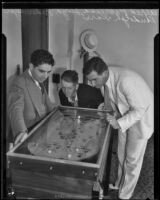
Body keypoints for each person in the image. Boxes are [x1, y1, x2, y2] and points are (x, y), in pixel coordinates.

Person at [83, 57, 154, 200]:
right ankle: (119, 184)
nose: (91, 84)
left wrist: (119, 123)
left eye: (93, 80)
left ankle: (125, 195)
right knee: (121, 154)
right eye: (89, 80)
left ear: (103, 73)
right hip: (124, 118)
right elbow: (115, 104)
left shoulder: (125, 81)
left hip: (140, 120)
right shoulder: (104, 83)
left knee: (132, 161)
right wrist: (107, 109)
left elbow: (139, 110)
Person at [8, 49, 57, 147]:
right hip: (27, 134)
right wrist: (21, 131)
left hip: (40, 132)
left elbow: (47, 103)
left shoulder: (38, 79)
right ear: (31, 66)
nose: (45, 76)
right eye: (42, 71)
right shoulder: (18, 82)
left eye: (48, 72)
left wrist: (57, 115)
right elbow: (15, 108)